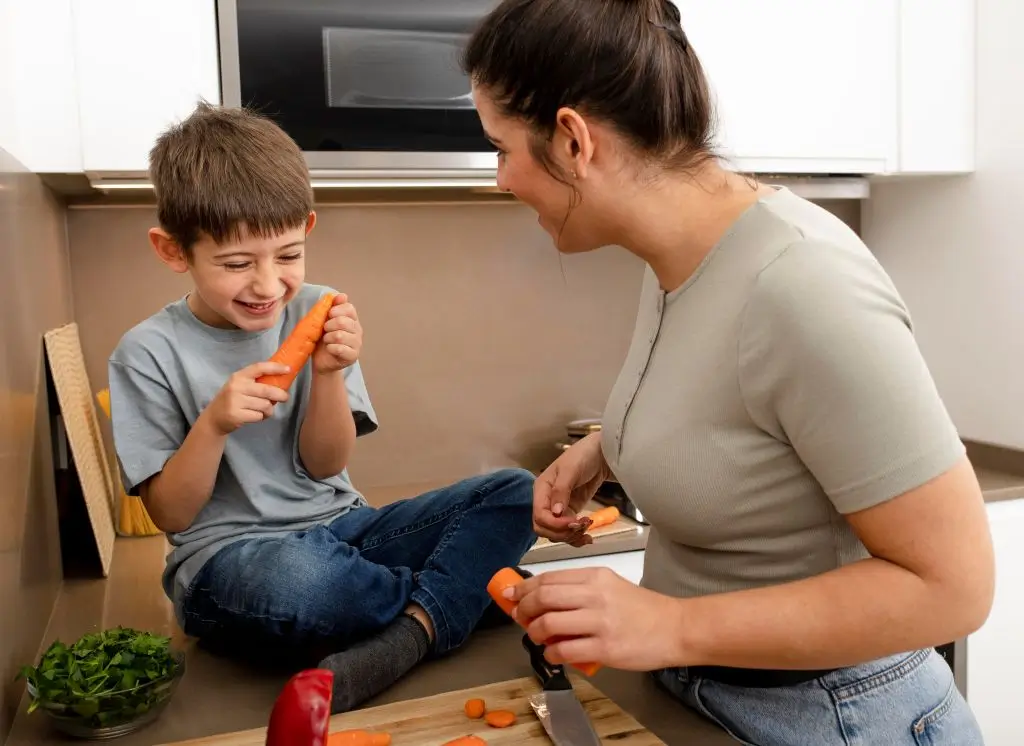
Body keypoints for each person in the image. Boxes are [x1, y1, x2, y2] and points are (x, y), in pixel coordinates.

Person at [460, 1, 994, 743]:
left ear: (573, 139)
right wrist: (611, 446)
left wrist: (672, 626)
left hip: (838, 718)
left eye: (502, 148)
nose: (501, 180)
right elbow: (733, 402)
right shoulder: (679, 256)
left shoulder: (803, 280)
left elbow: (954, 589)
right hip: (709, 702)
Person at [106, 102, 537, 713]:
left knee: (515, 493)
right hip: (229, 563)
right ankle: (463, 594)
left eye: (286, 255)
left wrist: (328, 375)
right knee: (306, 584)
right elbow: (172, 515)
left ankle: (410, 634)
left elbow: (326, 464)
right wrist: (214, 424)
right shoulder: (146, 352)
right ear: (173, 251)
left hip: (346, 532)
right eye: (236, 264)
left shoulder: (320, 306)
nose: (266, 285)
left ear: (306, 228)